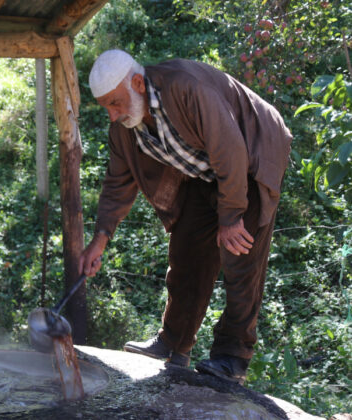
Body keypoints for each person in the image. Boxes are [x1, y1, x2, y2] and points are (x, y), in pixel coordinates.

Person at [79, 49, 292, 385]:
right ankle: (173, 344)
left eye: (115, 103)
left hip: (250, 157)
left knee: (240, 255)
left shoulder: (186, 88)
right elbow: (117, 184)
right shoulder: (124, 129)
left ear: (137, 83)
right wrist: (99, 240)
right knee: (187, 249)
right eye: (105, 106)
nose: (112, 115)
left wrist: (232, 214)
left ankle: (231, 358)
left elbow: (230, 149)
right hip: (202, 174)